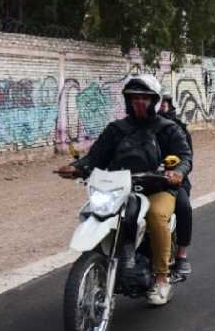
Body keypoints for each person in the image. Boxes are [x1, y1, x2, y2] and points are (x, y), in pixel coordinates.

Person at [55, 75, 192, 305]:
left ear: (155, 101)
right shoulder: (116, 129)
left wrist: (177, 171)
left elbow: (184, 156)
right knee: (98, 212)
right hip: (119, 187)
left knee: (156, 215)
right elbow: (95, 157)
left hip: (157, 187)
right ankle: (104, 262)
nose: (139, 102)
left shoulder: (168, 129)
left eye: (144, 98)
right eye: (134, 98)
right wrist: (77, 167)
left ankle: (161, 278)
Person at [158, 94, 193, 275]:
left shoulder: (177, 128)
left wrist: (177, 171)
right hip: (141, 179)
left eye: (164, 103)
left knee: (184, 206)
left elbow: (187, 156)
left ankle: (182, 254)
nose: (161, 106)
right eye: (158, 103)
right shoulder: (138, 127)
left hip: (172, 180)